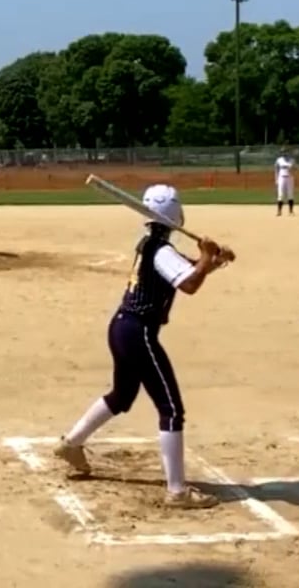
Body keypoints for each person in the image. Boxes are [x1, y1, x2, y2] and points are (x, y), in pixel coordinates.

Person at [51, 184, 233, 510]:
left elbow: (188, 269)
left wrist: (213, 261)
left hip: (123, 328)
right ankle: (177, 491)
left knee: (122, 396)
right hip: (139, 333)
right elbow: (190, 283)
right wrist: (207, 257)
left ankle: (71, 444)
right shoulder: (161, 250)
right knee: (171, 409)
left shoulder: (151, 245)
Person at [275, 149, 297, 215]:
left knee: (290, 195)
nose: (284, 153)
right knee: (280, 195)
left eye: (285, 152)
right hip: (281, 178)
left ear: (288, 153)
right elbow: (276, 169)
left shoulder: (292, 160)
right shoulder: (279, 160)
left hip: (290, 178)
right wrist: (276, 179)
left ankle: (291, 211)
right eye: (283, 152)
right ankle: (279, 211)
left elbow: (296, 169)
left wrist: (293, 169)